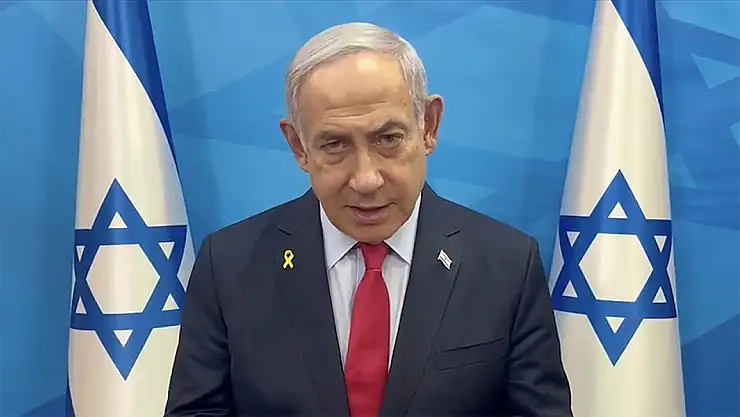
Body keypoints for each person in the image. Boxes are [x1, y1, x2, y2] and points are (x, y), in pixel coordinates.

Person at [164, 22, 572, 417]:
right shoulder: (229, 266)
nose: (365, 179)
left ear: (428, 127)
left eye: (388, 139)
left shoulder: (507, 265)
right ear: (298, 146)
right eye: (335, 144)